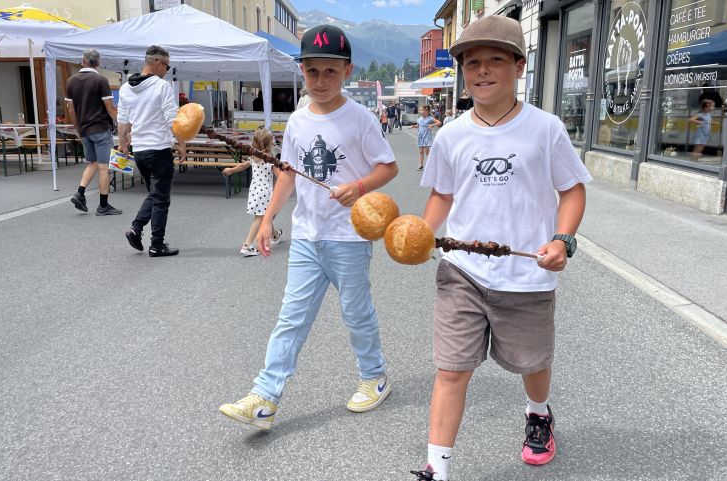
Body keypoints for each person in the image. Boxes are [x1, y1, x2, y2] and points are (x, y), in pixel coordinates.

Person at [410, 15, 592, 481]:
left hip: (527, 273)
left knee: (533, 363)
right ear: (463, 72)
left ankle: (538, 413)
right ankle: (437, 466)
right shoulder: (451, 135)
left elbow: (572, 190)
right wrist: (418, 233)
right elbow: (443, 196)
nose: (483, 71)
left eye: (495, 60)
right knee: (451, 369)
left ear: (518, 66)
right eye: (473, 63)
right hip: (462, 272)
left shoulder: (545, 128)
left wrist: (562, 239)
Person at [219, 24, 399, 430]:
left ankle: (374, 377)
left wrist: (358, 186)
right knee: (291, 317)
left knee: (356, 313)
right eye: (312, 71)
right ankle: (265, 398)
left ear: (347, 72)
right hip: (307, 237)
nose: (320, 80)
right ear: (302, 71)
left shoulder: (361, 119)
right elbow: (289, 174)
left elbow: (389, 166)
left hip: (349, 237)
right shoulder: (298, 122)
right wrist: (268, 220)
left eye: (330, 72)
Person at [119, 45, 180, 257]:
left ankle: (136, 229)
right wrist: (181, 142)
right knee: (161, 199)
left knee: (154, 194)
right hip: (159, 148)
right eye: (167, 66)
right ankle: (157, 244)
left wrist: (123, 145)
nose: (167, 70)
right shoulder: (161, 87)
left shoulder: (126, 88)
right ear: (157, 63)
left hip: (140, 151)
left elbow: (122, 122)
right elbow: (173, 119)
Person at [65, 48, 121, 216]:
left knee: (93, 162)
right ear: (98, 63)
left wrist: (78, 128)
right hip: (100, 128)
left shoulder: (71, 81)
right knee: (104, 168)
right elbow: (110, 107)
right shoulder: (100, 80)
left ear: (82, 61)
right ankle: (103, 206)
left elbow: (70, 108)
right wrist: (121, 124)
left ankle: (80, 193)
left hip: (84, 129)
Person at [221, 127, 284, 256]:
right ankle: (247, 245)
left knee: (266, 215)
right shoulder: (270, 161)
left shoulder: (253, 158)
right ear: (270, 144)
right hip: (265, 192)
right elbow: (280, 177)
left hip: (255, 190)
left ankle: (275, 235)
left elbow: (242, 166)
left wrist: (231, 170)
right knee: (260, 218)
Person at [412, 105, 441, 171]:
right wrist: (414, 126)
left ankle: (432, 165)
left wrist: (432, 125)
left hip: (427, 136)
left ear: (427, 111)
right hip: (420, 137)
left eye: (422, 110)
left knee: (427, 152)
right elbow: (418, 126)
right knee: (421, 151)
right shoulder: (419, 119)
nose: (421, 111)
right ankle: (420, 165)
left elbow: (439, 122)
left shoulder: (430, 118)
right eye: (420, 110)